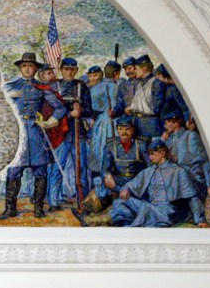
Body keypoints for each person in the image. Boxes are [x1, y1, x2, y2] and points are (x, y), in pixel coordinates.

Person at [77, 139, 209, 228]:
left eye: (153, 154)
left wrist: (200, 220)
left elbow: (192, 198)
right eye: (149, 154)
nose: (150, 158)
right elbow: (132, 184)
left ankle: (93, 221)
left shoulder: (178, 171)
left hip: (167, 212)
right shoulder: (149, 171)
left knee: (140, 209)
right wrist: (126, 189)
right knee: (122, 204)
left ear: (162, 153)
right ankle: (93, 221)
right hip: (150, 207)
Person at [0, 52, 66, 219]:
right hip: (17, 134)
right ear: (20, 68)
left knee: (40, 171)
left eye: (31, 66)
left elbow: (60, 108)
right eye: (24, 66)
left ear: (36, 69)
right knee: (13, 171)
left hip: (36, 134)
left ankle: (38, 208)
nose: (27, 69)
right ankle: (10, 209)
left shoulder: (42, 87)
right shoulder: (9, 87)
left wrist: (50, 122)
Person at [47, 57, 93, 211]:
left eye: (73, 70)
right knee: (57, 169)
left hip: (79, 134)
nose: (69, 72)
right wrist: (69, 114)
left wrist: (80, 111)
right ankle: (53, 202)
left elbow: (89, 110)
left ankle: (82, 202)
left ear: (76, 70)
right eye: (67, 69)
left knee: (81, 170)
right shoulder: (54, 87)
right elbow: (50, 111)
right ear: (61, 70)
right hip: (60, 135)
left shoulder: (82, 87)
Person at [83, 116, 149, 217]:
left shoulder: (141, 145)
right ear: (117, 130)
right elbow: (105, 167)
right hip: (118, 180)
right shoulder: (110, 145)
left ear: (132, 129)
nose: (124, 132)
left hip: (136, 182)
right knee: (99, 188)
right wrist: (107, 175)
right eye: (121, 129)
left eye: (127, 129)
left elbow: (150, 167)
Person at [162, 108, 210, 201]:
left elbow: (205, 162)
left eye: (167, 123)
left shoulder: (190, 136)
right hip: (178, 183)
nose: (165, 126)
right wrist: (162, 141)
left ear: (175, 123)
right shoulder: (169, 140)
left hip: (194, 182)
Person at [86, 64, 117, 205]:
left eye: (96, 75)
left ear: (101, 75)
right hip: (100, 123)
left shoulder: (105, 87)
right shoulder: (91, 88)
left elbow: (112, 106)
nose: (93, 78)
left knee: (103, 155)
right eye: (91, 76)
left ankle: (104, 194)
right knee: (98, 156)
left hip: (106, 124)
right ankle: (99, 194)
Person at [124, 54, 165, 139]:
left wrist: (137, 108)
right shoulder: (139, 84)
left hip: (151, 126)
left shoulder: (156, 84)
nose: (134, 71)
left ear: (144, 69)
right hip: (138, 125)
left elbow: (157, 108)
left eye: (136, 68)